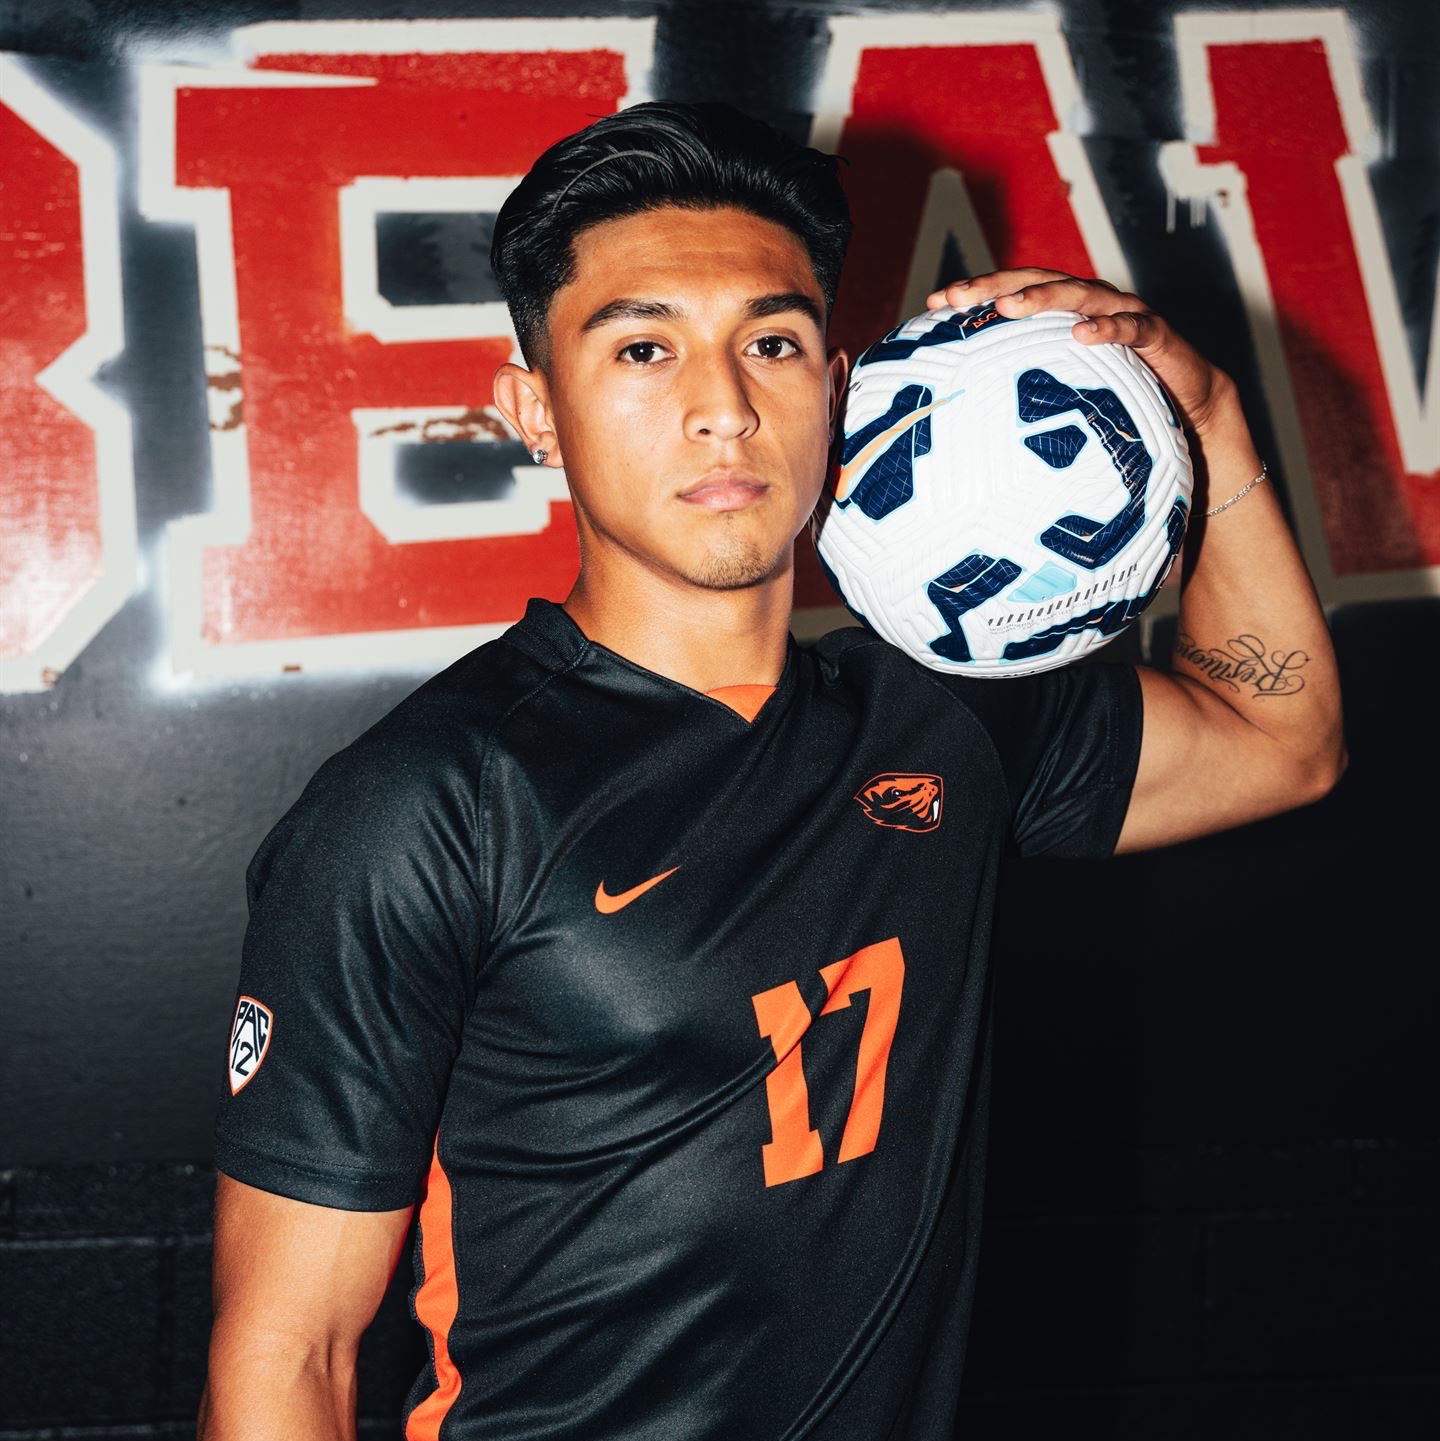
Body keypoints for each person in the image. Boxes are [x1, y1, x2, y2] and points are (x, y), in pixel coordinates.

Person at [198, 102, 1344, 1440]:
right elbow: (289, 1355)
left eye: (774, 343)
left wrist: (1203, 415)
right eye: (644, 348)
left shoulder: (943, 719)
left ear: (841, 388)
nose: (724, 409)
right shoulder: (429, 807)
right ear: (536, 411)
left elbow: (1284, 739)